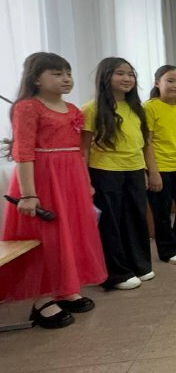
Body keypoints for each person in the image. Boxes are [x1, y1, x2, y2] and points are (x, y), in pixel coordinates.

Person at [0, 52, 106, 329]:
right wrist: (28, 194)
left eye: (68, 73)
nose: (66, 79)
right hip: (43, 179)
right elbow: (23, 152)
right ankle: (42, 299)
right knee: (47, 236)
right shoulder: (27, 107)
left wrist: (86, 182)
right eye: (57, 74)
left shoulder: (72, 109)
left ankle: (65, 289)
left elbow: (79, 151)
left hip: (71, 178)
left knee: (71, 233)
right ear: (36, 79)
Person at [81, 57, 153, 291]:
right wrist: (86, 181)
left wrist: (148, 171)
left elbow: (143, 143)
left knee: (136, 218)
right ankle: (117, 273)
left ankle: (139, 265)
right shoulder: (91, 109)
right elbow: (83, 149)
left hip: (134, 169)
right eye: (120, 73)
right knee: (111, 223)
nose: (127, 78)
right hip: (105, 171)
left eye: (130, 74)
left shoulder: (137, 108)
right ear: (105, 77)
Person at [144, 65, 176, 264]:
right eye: (170, 81)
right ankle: (168, 250)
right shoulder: (149, 107)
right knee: (161, 211)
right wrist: (153, 172)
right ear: (158, 83)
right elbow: (146, 142)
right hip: (160, 167)